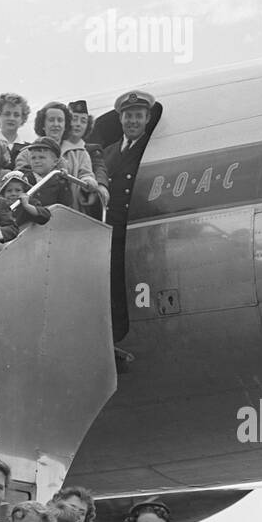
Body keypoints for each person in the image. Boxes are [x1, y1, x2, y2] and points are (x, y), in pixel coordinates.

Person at [102, 90, 158, 343]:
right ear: (120, 119)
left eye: (138, 116)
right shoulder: (110, 152)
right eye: (128, 116)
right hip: (111, 230)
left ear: (147, 119)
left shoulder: (150, 148)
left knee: (130, 282)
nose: (132, 121)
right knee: (112, 283)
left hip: (133, 226)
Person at [66, 101, 110, 214]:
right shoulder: (54, 147)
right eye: (74, 119)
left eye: (83, 121)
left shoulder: (91, 150)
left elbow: (99, 168)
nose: (78, 124)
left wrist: (100, 185)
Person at [21, 137, 75, 207]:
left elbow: (65, 207)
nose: (37, 161)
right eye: (33, 158)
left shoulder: (61, 181)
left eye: (41, 157)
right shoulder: (23, 178)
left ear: (55, 161)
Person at [0, 169, 51, 234]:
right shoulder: (0, 206)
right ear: (3, 194)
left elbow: (45, 216)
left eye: (18, 190)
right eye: (9, 191)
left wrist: (27, 206)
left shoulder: (30, 203)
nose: (13, 193)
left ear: (25, 192)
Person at [0, 91, 30, 168]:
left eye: (16, 115)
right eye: (7, 114)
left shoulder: (29, 149)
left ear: (23, 119)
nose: (11, 118)